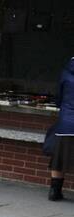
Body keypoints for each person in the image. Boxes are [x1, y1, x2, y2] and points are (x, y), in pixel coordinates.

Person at [43, 56, 74, 201]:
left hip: (66, 123)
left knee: (59, 158)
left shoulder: (66, 72)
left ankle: (54, 192)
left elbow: (59, 97)